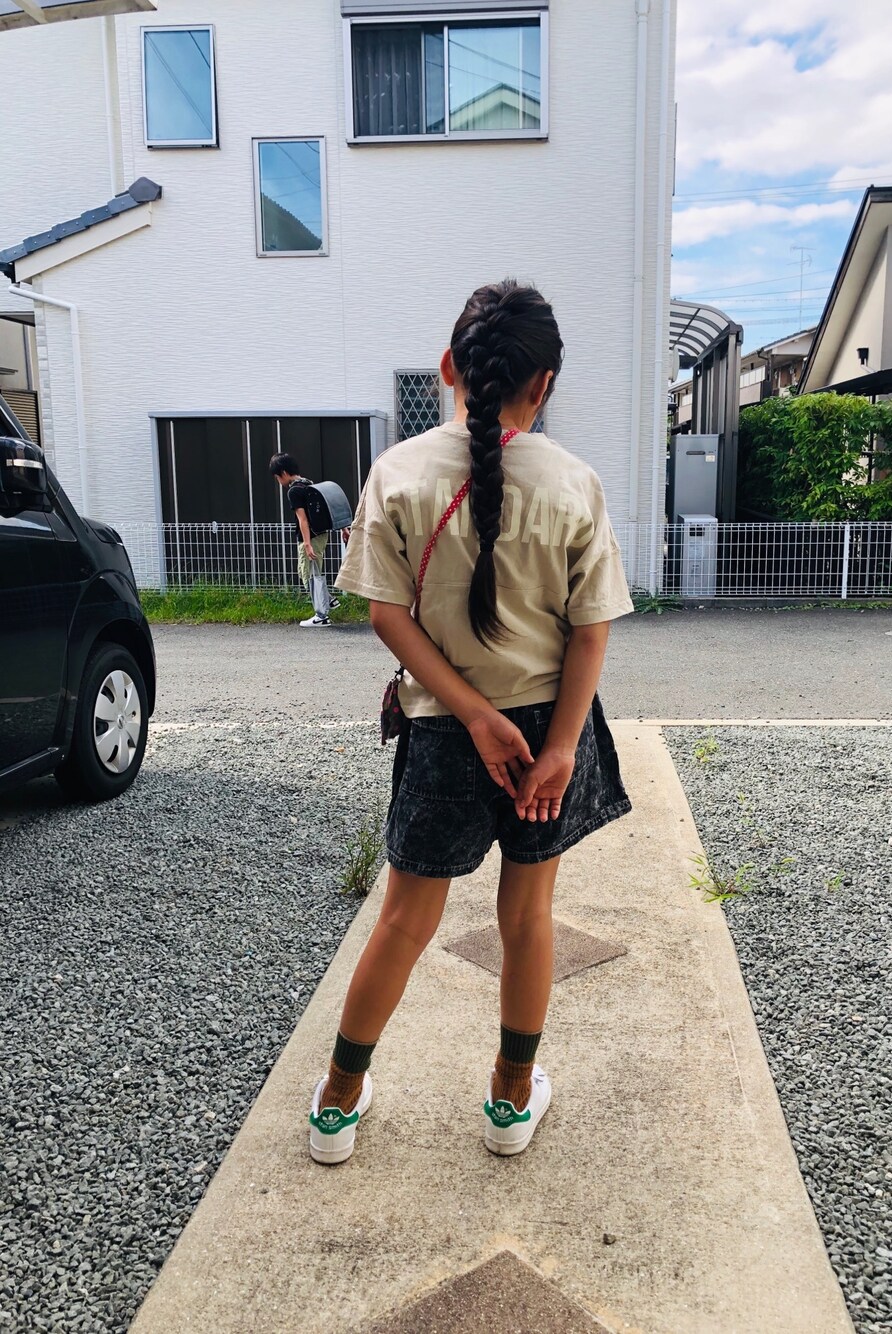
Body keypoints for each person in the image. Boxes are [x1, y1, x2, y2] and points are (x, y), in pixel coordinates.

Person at [309, 280, 634, 1165]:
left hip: (447, 731)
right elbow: (591, 631)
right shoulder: (574, 483)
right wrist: (559, 747)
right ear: (546, 384)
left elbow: (385, 615)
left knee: (403, 921)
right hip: (548, 734)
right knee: (528, 917)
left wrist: (474, 716)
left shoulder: (399, 472)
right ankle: (510, 1099)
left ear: (450, 368)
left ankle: (337, 1101)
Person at [268, 453, 344, 627]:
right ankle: (328, 600)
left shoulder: (294, 491)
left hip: (310, 537)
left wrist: (307, 543)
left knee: (308, 575)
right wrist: (343, 527)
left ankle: (321, 616)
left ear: (283, 473)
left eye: (277, 477)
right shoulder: (309, 484)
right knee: (312, 571)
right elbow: (330, 507)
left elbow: (303, 519)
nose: (278, 481)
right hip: (322, 534)